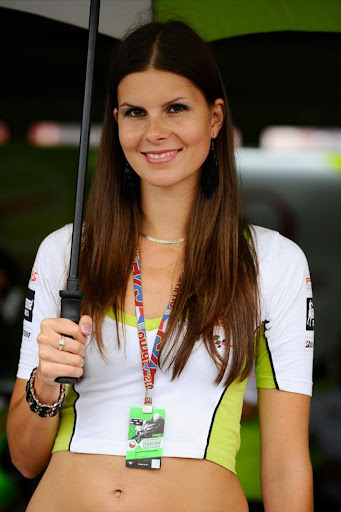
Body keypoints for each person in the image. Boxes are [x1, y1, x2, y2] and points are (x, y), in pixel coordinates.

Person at [6, 21, 314, 511]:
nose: (154, 132)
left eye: (176, 108)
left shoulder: (270, 262)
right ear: (116, 122)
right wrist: (45, 384)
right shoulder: (66, 253)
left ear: (215, 118)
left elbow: (285, 464)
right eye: (135, 112)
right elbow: (23, 458)